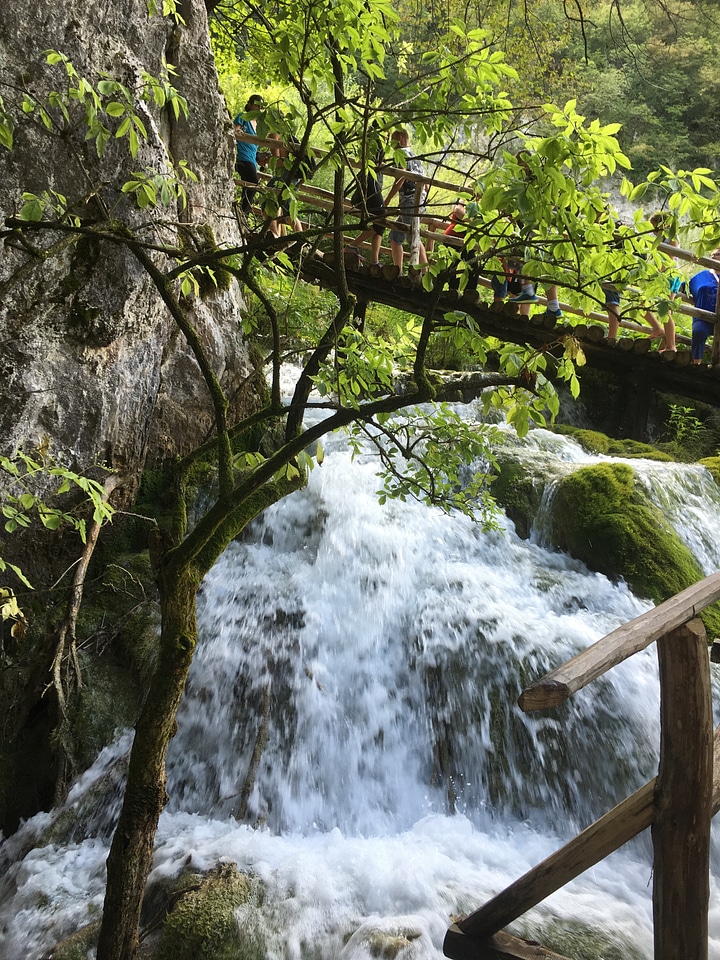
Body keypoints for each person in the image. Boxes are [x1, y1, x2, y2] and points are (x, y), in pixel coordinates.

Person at [384, 128, 428, 274]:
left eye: (394, 139)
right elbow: (426, 184)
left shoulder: (401, 153)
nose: (392, 144)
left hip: (410, 202)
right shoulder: (415, 156)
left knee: (413, 235)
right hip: (418, 201)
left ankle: (424, 273)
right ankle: (398, 271)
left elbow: (401, 177)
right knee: (395, 237)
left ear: (401, 138)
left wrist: (388, 199)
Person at [233, 94, 265, 214]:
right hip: (242, 156)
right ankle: (243, 213)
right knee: (253, 183)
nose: (258, 108)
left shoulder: (259, 125)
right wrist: (238, 131)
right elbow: (235, 129)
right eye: (256, 104)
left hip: (252, 159)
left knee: (249, 185)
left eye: (260, 106)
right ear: (250, 104)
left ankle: (242, 212)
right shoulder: (243, 116)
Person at [688, 251, 720, 364]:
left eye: (718, 254)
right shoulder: (700, 277)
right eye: (712, 255)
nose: (714, 257)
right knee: (699, 332)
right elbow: (686, 288)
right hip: (703, 317)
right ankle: (696, 364)